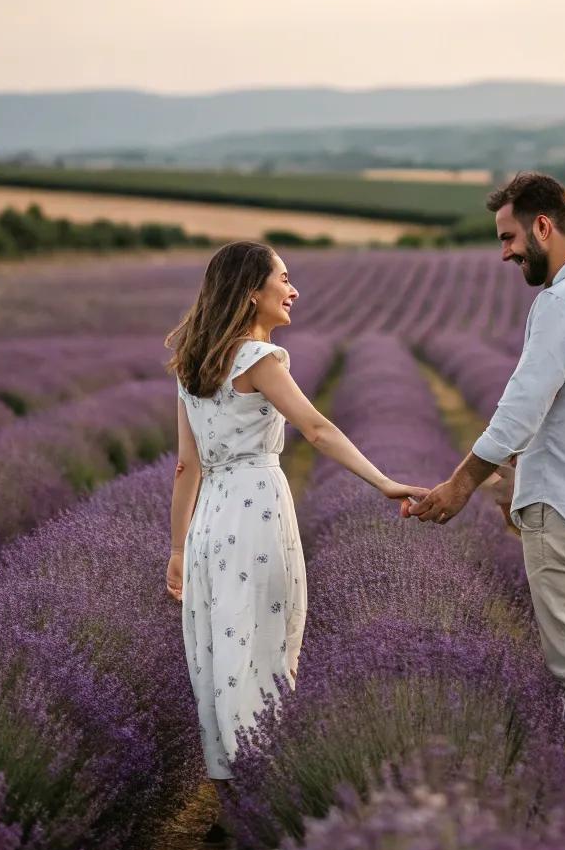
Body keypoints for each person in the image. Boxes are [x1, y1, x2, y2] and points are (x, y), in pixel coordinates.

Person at [403, 173, 565, 810]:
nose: (505, 252)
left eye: (510, 237)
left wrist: (463, 485)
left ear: (544, 226)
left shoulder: (563, 304)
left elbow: (519, 410)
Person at [165, 240, 426, 804]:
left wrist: (178, 548)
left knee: (217, 656)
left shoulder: (193, 366)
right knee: (265, 649)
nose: (293, 289)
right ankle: (267, 792)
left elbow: (186, 465)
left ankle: (227, 805)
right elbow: (317, 429)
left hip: (210, 519)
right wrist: (383, 482)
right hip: (256, 512)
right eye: (283, 279)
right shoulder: (258, 361)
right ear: (251, 292)